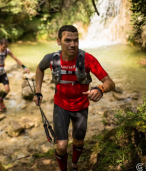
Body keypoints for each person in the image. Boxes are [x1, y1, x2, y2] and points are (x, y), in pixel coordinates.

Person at [33, 25, 115, 171]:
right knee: (61, 145)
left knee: (78, 141)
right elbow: (39, 69)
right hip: (60, 106)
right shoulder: (51, 59)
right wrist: (38, 91)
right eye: (68, 40)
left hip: (81, 108)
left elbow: (110, 83)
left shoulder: (88, 59)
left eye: (76, 40)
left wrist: (100, 89)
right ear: (59, 41)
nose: (73, 44)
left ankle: (74, 164)